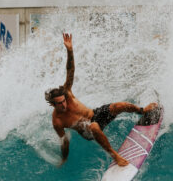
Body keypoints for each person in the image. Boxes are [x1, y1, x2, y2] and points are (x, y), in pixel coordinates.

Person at [46, 33, 157, 167]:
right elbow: (64, 142)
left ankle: (143, 110)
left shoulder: (67, 93)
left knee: (119, 105)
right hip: (87, 131)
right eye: (59, 103)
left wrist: (70, 50)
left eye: (63, 101)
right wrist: (63, 158)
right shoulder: (57, 122)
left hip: (95, 114)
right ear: (53, 105)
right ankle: (114, 155)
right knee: (93, 126)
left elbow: (70, 70)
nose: (64, 104)